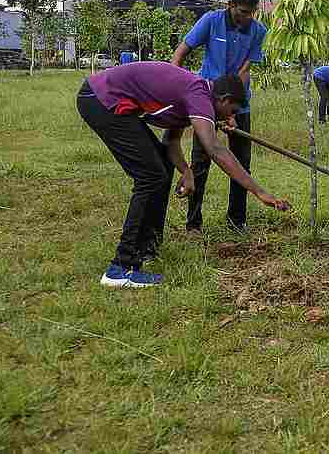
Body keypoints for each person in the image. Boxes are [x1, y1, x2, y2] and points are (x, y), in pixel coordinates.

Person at [76, 62, 290, 288]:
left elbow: (171, 141)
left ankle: (147, 248)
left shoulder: (194, 95)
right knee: (150, 177)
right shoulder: (199, 96)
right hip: (99, 98)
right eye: (233, 111)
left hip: (101, 98)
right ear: (224, 99)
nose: (232, 118)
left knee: (161, 167)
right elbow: (215, 150)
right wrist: (259, 192)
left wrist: (186, 171)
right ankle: (121, 267)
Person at [171, 0, 266, 234]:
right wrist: (175, 89)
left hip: (238, 104)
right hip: (206, 102)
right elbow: (181, 52)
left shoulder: (258, 31)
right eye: (243, 12)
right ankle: (193, 224)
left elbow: (244, 71)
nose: (248, 17)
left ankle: (237, 220)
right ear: (230, 4)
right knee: (200, 162)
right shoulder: (211, 21)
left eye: (252, 12)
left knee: (241, 163)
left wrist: (233, 110)